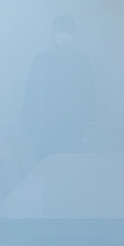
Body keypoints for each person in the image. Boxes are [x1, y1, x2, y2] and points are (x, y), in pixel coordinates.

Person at [23, 15, 95, 157]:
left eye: (68, 32)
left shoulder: (82, 61)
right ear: (52, 34)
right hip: (45, 125)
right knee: (45, 160)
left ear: (74, 35)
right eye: (60, 31)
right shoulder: (41, 60)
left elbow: (89, 94)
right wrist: (27, 120)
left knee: (72, 160)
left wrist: (89, 123)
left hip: (74, 125)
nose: (64, 36)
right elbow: (31, 91)